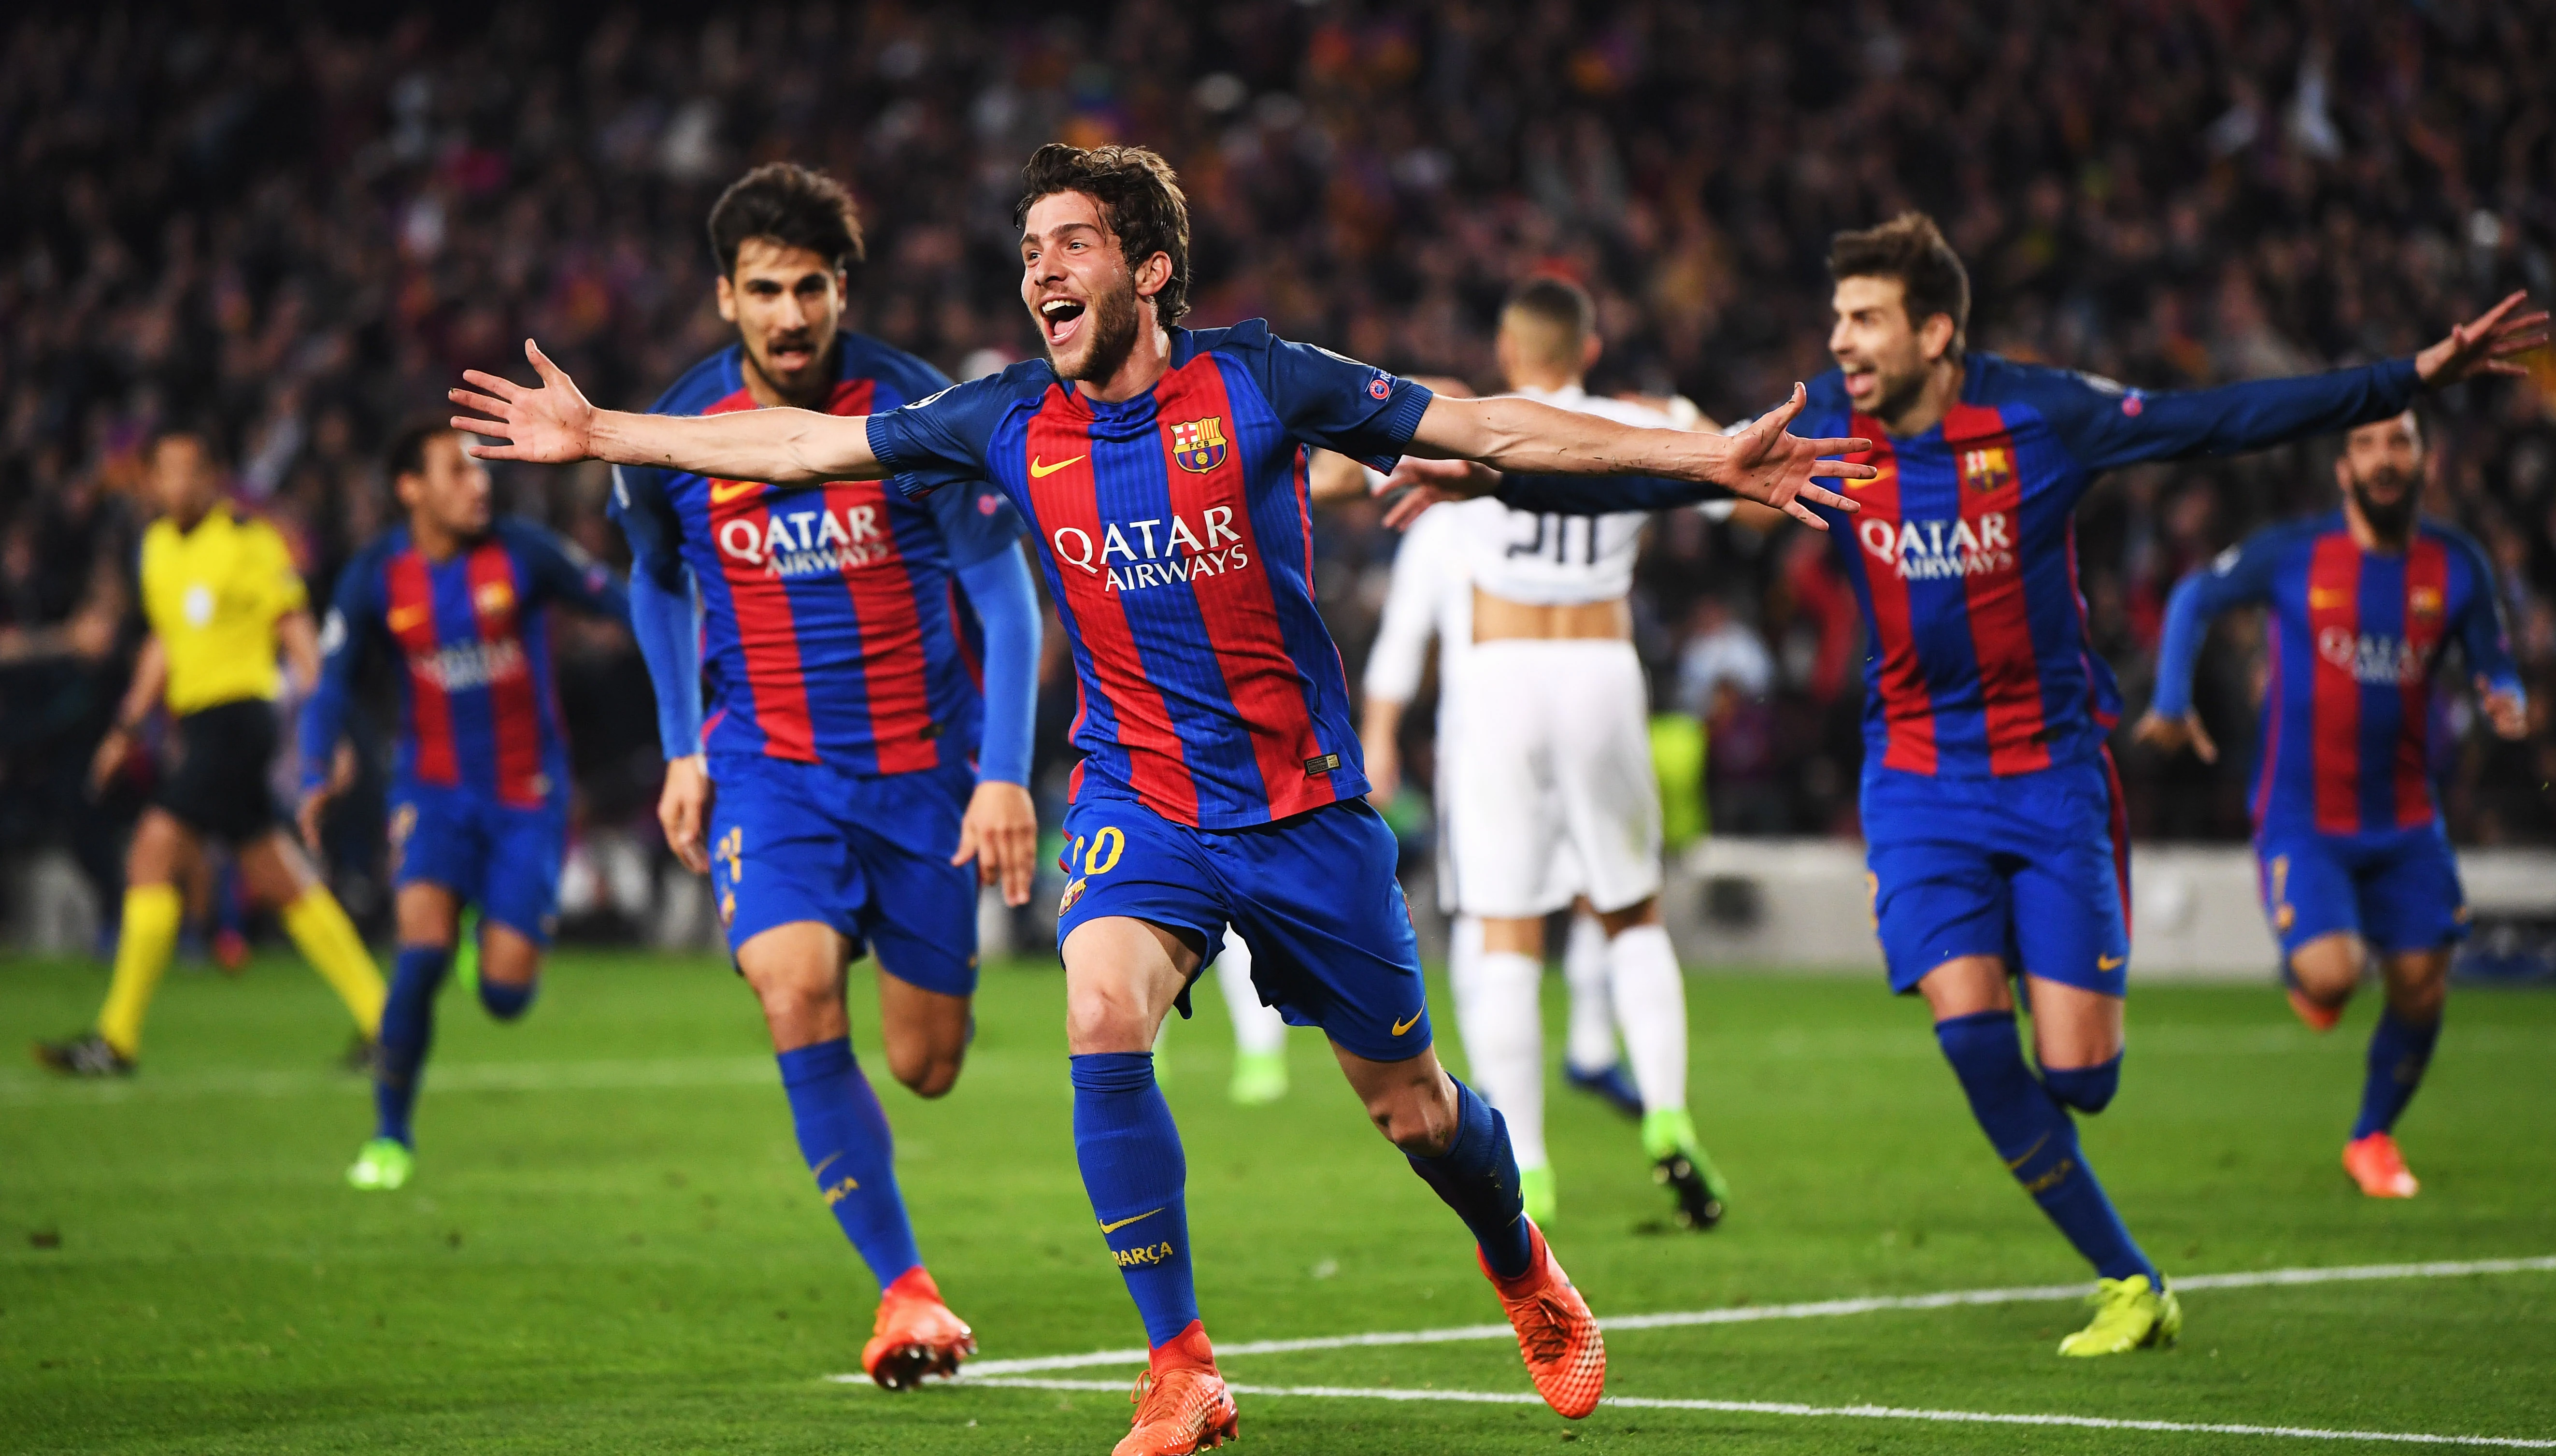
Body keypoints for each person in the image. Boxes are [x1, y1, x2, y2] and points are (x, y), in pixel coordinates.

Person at [448, 143, 1870, 1455]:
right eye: (1028, 248)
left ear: (1148, 269)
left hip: (1300, 807)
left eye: (1072, 243)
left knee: (1410, 1106)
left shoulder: (1262, 381)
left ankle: (1518, 1260)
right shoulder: (1005, 414)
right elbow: (800, 447)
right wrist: (608, 435)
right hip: (1136, 793)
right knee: (1095, 1007)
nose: (1041, 270)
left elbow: (1493, 426)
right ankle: (1178, 1360)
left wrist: (1703, 457)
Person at [1387, 214, 2543, 1359]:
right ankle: (2132, 1279)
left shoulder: (2043, 418)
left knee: (2083, 1078)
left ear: (1936, 331)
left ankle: (2085, 1070)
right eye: (1837, 317)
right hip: (1918, 783)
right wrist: (1492, 488)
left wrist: (2413, 373)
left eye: (1866, 319)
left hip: (2052, 777)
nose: (1839, 341)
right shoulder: (1830, 431)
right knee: (1974, 1038)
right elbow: (1655, 490)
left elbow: (2221, 421)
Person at [605, 163, 1043, 1392]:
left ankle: (865, 930)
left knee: (927, 1064)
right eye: (763, 290)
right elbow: (653, 579)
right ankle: (907, 1291)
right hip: (769, 771)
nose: (789, 315)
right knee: (793, 991)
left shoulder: (916, 416)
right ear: (724, 297)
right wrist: (685, 744)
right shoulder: (676, 434)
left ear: (843, 288)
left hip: (920, 775)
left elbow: (1006, 601)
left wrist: (1002, 775)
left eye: (809, 287)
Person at [2138, 410, 2527, 1199]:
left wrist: (2505, 694)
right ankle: (2311, 971)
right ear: (2342, 470)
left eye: (2399, 442)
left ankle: (2371, 1137)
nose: (2384, 459)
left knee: (2422, 980)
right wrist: (2173, 697)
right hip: (2301, 816)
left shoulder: (2457, 565)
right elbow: (2191, 596)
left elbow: (2493, 657)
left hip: (2408, 819)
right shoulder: (2294, 553)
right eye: (2366, 445)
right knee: (2331, 975)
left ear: (2425, 458)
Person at [1434, 277, 1722, 1231]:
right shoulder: (1634, 421)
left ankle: (1530, 1167)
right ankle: (1670, 1112)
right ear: (1588, 350)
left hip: (1502, 673)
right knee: (1632, 912)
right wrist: (1686, 421)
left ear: (1512, 352)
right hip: (1600, 663)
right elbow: (1751, 502)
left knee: (1507, 929)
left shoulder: (1472, 416)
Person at [297, 423, 630, 1190]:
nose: (478, 483)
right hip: (432, 791)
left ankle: (497, 932)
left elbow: (620, 603)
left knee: (506, 996)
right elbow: (335, 682)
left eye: (480, 470)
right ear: (409, 487)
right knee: (419, 957)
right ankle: (389, 1135)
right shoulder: (377, 573)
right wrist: (317, 766)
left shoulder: (523, 551)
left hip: (527, 795)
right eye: (456, 470)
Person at [36, 429, 386, 1077]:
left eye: (188, 472)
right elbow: (163, 646)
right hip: (198, 723)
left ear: (214, 478)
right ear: (150, 482)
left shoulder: (250, 544)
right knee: (279, 875)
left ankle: (115, 1038)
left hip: (239, 716)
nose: (176, 485)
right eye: (164, 473)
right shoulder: (157, 548)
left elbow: (296, 632)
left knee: (152, 848)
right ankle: (385, 1019)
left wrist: (326, 723)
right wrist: (127, 727)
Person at [1355, 479, 1644, 1230]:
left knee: (1499, 917)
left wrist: (1380, 732)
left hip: (1487, 744)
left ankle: (1523, 1081)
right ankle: (1551, 1059)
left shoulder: (1452, 522)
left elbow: (1399, 643)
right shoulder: (1514, 513)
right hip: (1530, 727)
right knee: (1592, 893)